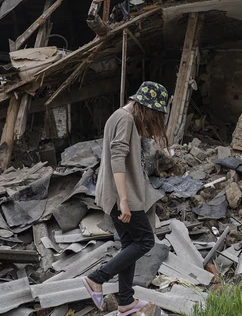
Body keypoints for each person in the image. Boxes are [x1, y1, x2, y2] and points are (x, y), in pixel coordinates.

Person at [82, 81, 169, 315]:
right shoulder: (125, 119)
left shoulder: (120, 116)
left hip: (119, 192)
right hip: (123, 194)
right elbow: (117, 158)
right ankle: (96, 279)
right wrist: (123, 200)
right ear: (148, 108)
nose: (154, 122)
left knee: (130, 243)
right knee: (145, 241)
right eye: (155, 114)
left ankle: (126, 301)